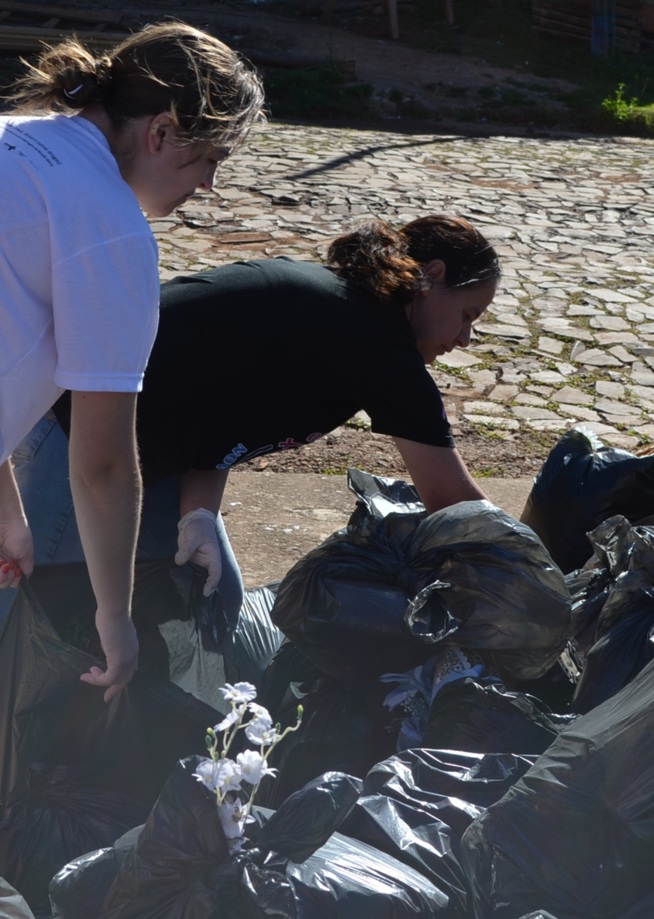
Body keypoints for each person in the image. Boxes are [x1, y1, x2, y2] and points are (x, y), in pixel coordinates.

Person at [8, 212, 500, 638]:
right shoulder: (373, 339)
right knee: (28, 608)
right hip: (76, 437)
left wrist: (196, 517)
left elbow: (221, 418)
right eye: (466, 314)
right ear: (432, 276)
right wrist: (545, 567)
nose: (465, 337)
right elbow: (455, 504)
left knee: (213, 602)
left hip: (143, 457)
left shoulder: (359, 320)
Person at [0, 22, 265, 700]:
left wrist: (5, 507)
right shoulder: (110, 227)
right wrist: (114, 618)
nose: (207, 185)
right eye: (211, 159)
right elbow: (103, 465)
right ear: (162, 131)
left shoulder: (18, 139)